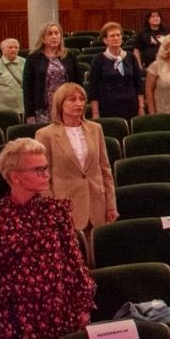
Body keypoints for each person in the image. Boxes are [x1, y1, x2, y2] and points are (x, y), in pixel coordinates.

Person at [0, 138, 96, 339]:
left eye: (46, 168)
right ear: (15, 177)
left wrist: (83, 305)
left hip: (61, 311)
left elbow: (75, 263)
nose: (46, 174)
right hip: (14, 319)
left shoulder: (56, 210)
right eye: (38, 169)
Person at [35, 83, 117, 233]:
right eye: (72, 99)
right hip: (66, 208)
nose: (79, 103)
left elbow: (105, 169)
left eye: (81, 99)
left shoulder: (95, 129)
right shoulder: (45, 135)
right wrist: (52, 210)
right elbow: (44, 178)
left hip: (97, 204)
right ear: (60, 104)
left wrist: (111, 204)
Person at [23, 23, 80, 125]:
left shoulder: (69, 55)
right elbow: (27, 88)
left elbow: (78, 83)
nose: (54, 36)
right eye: (50, 34)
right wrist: (29, 113)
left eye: (56, 33)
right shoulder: (33, 58)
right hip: (42, 109)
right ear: (43, 38)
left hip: (66, 106)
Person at [85, 22, 144, 120]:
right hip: (107, 107)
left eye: (118, 35)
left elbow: (138, 84)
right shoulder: (99, 59)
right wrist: (95, 113)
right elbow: (93, 88)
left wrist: (141, 107)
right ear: (105, 40)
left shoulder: (131, 57)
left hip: (131, 106)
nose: (116, 38)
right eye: (112, 36)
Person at [0, 38, 26, 116]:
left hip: (22, 109)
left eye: (16, 47)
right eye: (10, 47)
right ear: (3, 50)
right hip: (3, 111)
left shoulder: (25, 62)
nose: (14, 49)